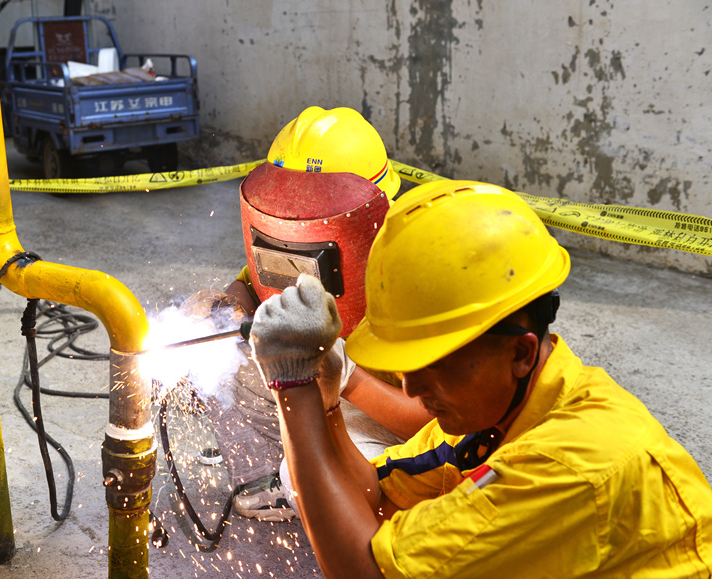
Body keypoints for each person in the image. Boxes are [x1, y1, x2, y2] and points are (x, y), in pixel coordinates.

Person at [247, 179, 712, 577]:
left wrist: (293, 388)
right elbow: (373, 498)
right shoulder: (497, 411)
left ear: (521, 352)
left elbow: (362, 570)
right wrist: (328, 404)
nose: (410, 388)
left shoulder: (572, 464)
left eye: (436, 364)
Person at [185, 106, 432, 522]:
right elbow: (251, 283)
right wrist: (227, 309)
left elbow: (431, 422)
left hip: (393, 425)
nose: (297, 224)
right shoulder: (293, 238)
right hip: (332, 390)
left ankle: (349, 509)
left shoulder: (416, 276)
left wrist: (348, 377)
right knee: (219, 365)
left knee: (310, 477)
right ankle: (289, 476)